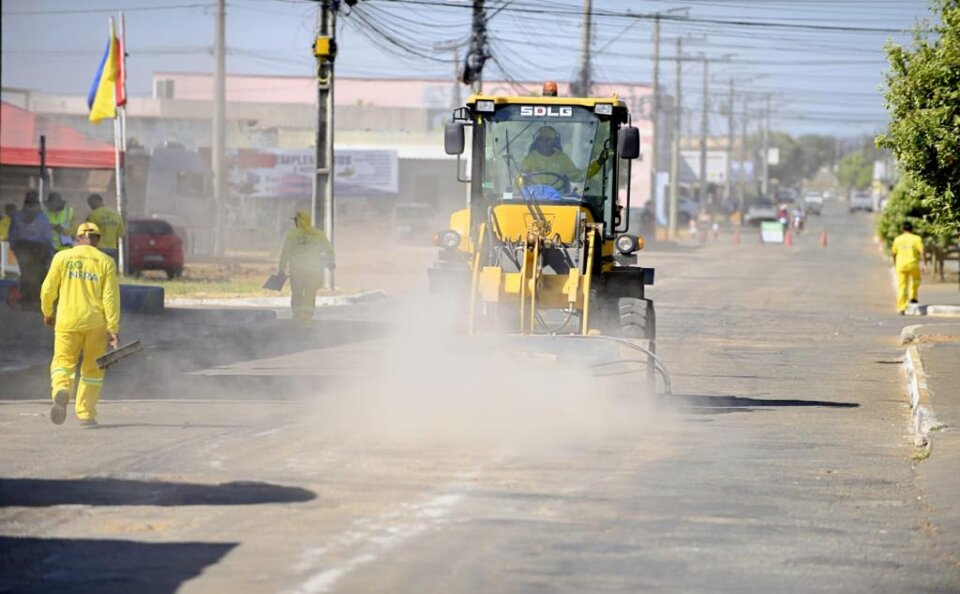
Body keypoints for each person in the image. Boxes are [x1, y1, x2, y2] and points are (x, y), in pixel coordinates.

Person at [40, 222, 120, 427]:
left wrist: (48, 312)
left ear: (77, 239)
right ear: (98, 240)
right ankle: (85, 414)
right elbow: (110, 298)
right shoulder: (106, 261)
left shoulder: (62, 257)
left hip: (67, 321)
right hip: (95, 323)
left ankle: (62, 389)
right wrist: (113, 328)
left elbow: (48, 289)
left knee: (63, 362)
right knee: (93, 370)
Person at [279, 211, 335, 326]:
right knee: (310, 294)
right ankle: (307, 318)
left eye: (295, 220)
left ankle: (297, 317)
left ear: (299, 221)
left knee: (297, 294)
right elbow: (329, 250)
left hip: (297, 271)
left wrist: (281, 268)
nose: (295, 223)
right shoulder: (318, 234)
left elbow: (285, 253)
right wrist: (331, 262)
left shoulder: (292, 235)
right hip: (313, 271)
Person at [9, 191, 54, 310]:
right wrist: (50, 252)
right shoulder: (41, 217)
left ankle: (27, 302)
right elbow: (47, 236)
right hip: (38, 249)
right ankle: (36, 302)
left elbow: (12, 234)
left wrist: (14, 247)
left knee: (26, 274)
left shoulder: (17, 216)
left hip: (22, 248)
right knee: (39, 274)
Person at [521, 126, 581, 191]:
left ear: (555, 142)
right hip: (534, 198)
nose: (544, 143)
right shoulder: (529, 159)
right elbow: (522, 179)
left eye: (548, 140)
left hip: (559, 199)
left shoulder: (562, 158)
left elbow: (576, 176)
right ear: (537, 142)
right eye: (541, 140)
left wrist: (591, 171)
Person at [891, 221, 926, 315]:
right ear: (912, 229)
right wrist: (924, 264)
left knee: (902, 286)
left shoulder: (897, 239)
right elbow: (922, 252)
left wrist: (895, 264)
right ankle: (913, 297)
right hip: (913, 264)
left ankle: (901, 307)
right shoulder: (916, 238)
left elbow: (893, 253)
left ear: (903, 230)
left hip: (901, 266)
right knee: (916, 281)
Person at [86, 194, 125, 267]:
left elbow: (87, 232)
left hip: (98, 248)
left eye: (90, 204)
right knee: (110, 271)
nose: (90, 206)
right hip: (112, 248)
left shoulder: (93, 215)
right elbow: (121, 233)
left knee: (98, 270)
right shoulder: (116, 215)